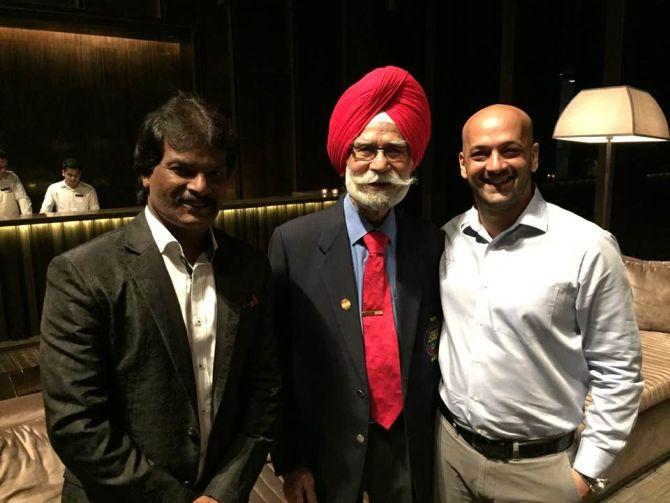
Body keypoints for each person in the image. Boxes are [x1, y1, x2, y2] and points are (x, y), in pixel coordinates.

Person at [40, 93, 280, 503]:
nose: (201, 187)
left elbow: (265, 392)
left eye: (215, 173)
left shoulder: (250, 267)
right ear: (146, 173)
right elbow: (76, 423)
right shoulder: (82, 273)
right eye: (182, 169)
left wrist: (223, 491)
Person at [435, 104, 643, 502]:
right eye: (480, 154)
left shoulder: (588, 247)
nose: (494, 165)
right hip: (451, 455)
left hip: (540, 470)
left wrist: (587, 472)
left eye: (509, 150)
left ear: (532, 156)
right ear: (463, 164)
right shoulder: (448, 239)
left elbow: (618, 367)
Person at [269, 66, 443, 502]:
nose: (379, 165)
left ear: (412, 160)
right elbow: (275, 364)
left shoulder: (433, 245)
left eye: (394, 151)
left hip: (408, 448)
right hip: (325, 451)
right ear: (345, 155)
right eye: (365, 149)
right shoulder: (294, 243)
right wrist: (291, 460)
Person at [0, 149, 32, 218]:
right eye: (0, 167)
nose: (4, 170)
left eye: (5, 167)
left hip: (13, 223)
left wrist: (28, 218)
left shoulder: (12, 177)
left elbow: (22, 198)